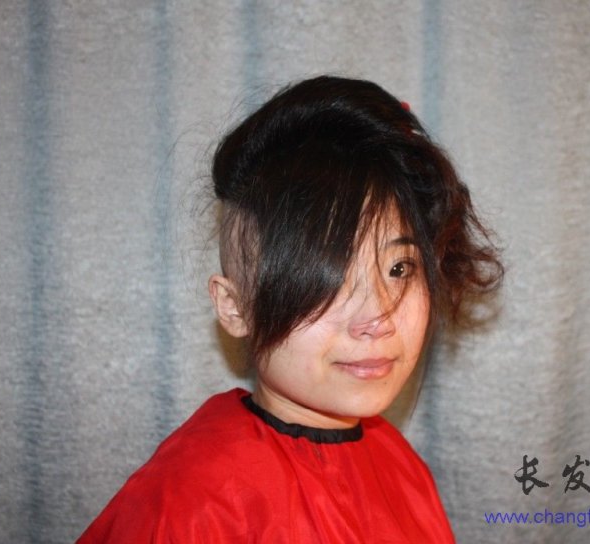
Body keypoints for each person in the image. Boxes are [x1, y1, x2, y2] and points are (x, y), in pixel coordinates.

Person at [77, 75, 502, 542]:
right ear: (235, 307)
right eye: (330, 274)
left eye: (399, 268)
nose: (378, 317)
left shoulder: (402, 466)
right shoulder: (189, 504)